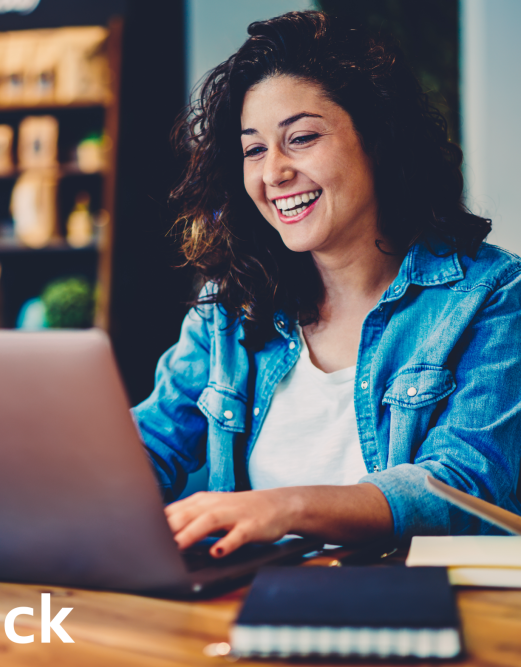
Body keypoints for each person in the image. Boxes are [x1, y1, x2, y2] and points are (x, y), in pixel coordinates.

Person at [132, 11, 521, 559]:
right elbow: (148, 446)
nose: (273, 174)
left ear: (378, 140)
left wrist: (284, 507)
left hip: (419, 613)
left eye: (302, 138)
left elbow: (462, 489)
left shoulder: (493, 296)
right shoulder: (230, 307)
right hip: (240, 610)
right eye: (254, 149)